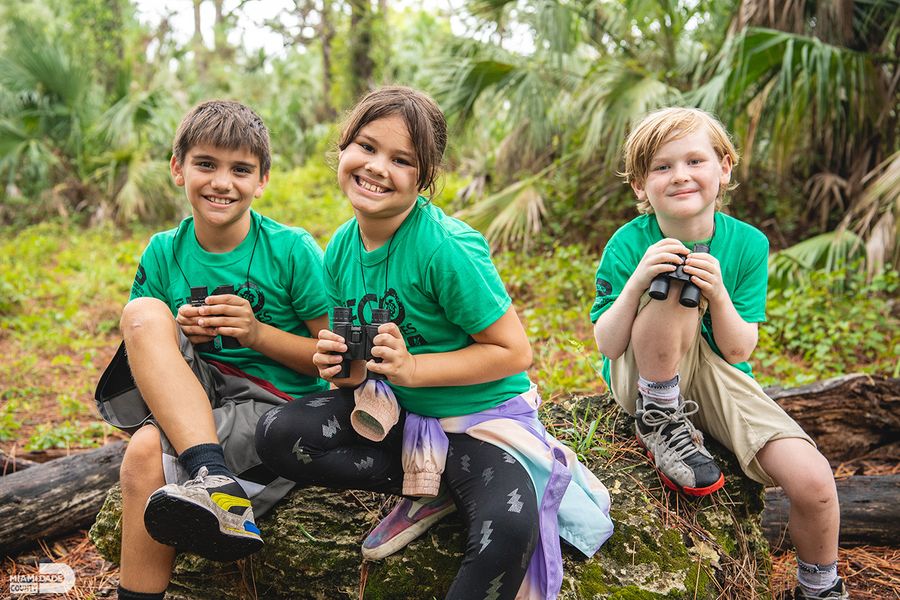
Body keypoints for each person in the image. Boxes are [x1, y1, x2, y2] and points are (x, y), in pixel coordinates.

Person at [255, 86, 613, 600]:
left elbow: (514, 352)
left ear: (424, 178)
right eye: (367, 147)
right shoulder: (339, 249)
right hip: (398, 420)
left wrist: (413, 369)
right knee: (279, 435)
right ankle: (429, 483)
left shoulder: (445, 248)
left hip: (479, 425)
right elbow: (355, 371)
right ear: (343, 148)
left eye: (401, 160)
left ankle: (446, 480)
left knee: (509, 530)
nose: (377, 167)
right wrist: (339, 367)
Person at [590, 107, 845, 600]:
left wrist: (719, 292)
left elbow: (738, 348)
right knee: (673, 276)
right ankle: (659, 416)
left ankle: (819, 586)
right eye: (662, 167)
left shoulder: (748, 244)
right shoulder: (628, 243)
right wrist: (641, 280)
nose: (680, 175)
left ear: (724, 167)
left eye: (695, 161)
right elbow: (608, 343)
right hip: (641, 371)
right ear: (641, 185)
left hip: (717, 374)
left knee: (814, 481)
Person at [97, 100, 330, 600]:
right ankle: (214, 475)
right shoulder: (164, 250)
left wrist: (257, 333)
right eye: (206, 164)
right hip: (197, 395)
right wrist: (176, 332)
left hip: (273, 404)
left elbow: (336, 360)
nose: (222, 182)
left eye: (240, 169)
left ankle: (211, 478)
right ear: (178, 168)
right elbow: (143, 347)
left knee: (144, 452)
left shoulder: (291, 250)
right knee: (143, 313)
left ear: (262, 180)